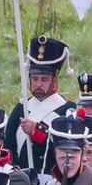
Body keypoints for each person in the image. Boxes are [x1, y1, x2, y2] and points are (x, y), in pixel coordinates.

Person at [14, 37, 78, 172]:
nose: (38, 84)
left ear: (55, 81)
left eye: (44, 79)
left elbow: (68, 146)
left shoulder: (67, 109)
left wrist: (37, 132)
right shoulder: (21, 107)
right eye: (34, 79)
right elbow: (9, 146)